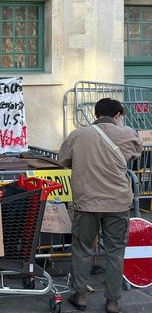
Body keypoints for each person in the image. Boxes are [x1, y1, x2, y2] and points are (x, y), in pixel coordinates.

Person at [59, 98, 142, 313]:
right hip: (118, 203)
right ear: (117, 116)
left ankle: (81, 296)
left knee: (82, 249)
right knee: (115, 252)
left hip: (86, 203)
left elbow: (63, 160)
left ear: (96, 114)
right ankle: (113, 302)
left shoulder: (78, 135)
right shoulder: (128, 133)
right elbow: (135, 154)